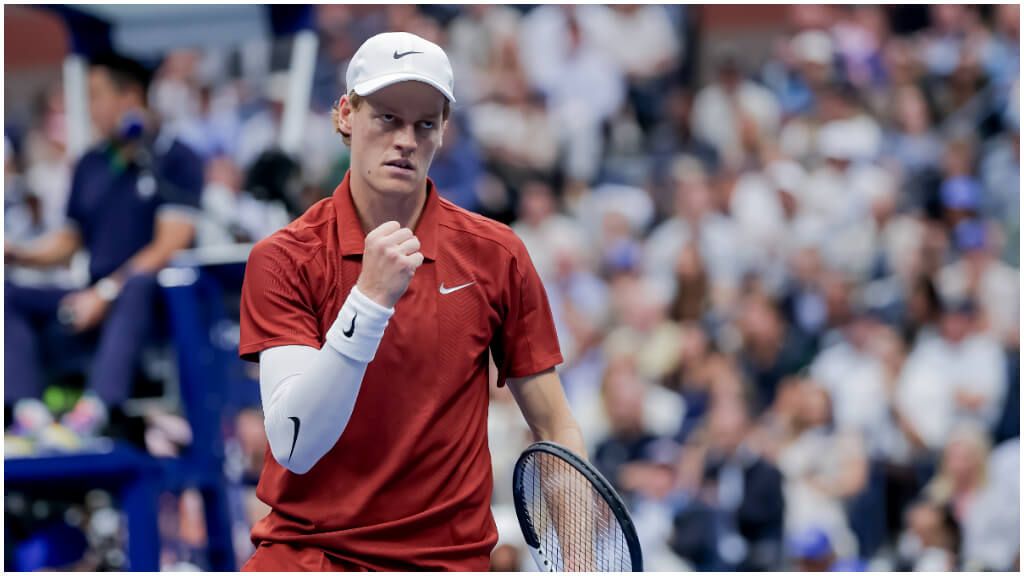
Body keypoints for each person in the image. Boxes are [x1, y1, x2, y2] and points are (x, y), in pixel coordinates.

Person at [238, 32, 584, 571]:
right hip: (311, 558)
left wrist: (581, 561)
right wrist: (370, 301)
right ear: (345, 115)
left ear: (444, 132)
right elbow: (295, 443)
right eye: (387, 118)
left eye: (426, 123)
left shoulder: (497, 255)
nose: (406, 139)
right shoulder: (284, 258)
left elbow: (555, 429)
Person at [4, 52, 202, 446]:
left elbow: (171, 242)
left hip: (147, 301)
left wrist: (106, 292)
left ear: (130, 96)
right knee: (7, 294)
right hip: (91, 292)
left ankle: (94, 412)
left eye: (96, 96)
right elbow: (70, 240)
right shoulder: (90, 163)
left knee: (138, 284)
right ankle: (27, 416)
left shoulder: (173, 158)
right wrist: (17, 253)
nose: (90, 109)